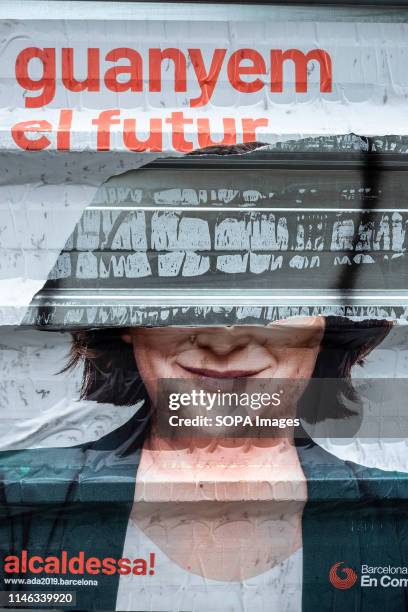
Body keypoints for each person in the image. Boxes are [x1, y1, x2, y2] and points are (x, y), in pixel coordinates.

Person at [1, 143, 407, 612]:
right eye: (184, 293)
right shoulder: (17, 501)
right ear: (125, 322)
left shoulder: (397, 520)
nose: (223, 341)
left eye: (272, 302)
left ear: (329, 325)